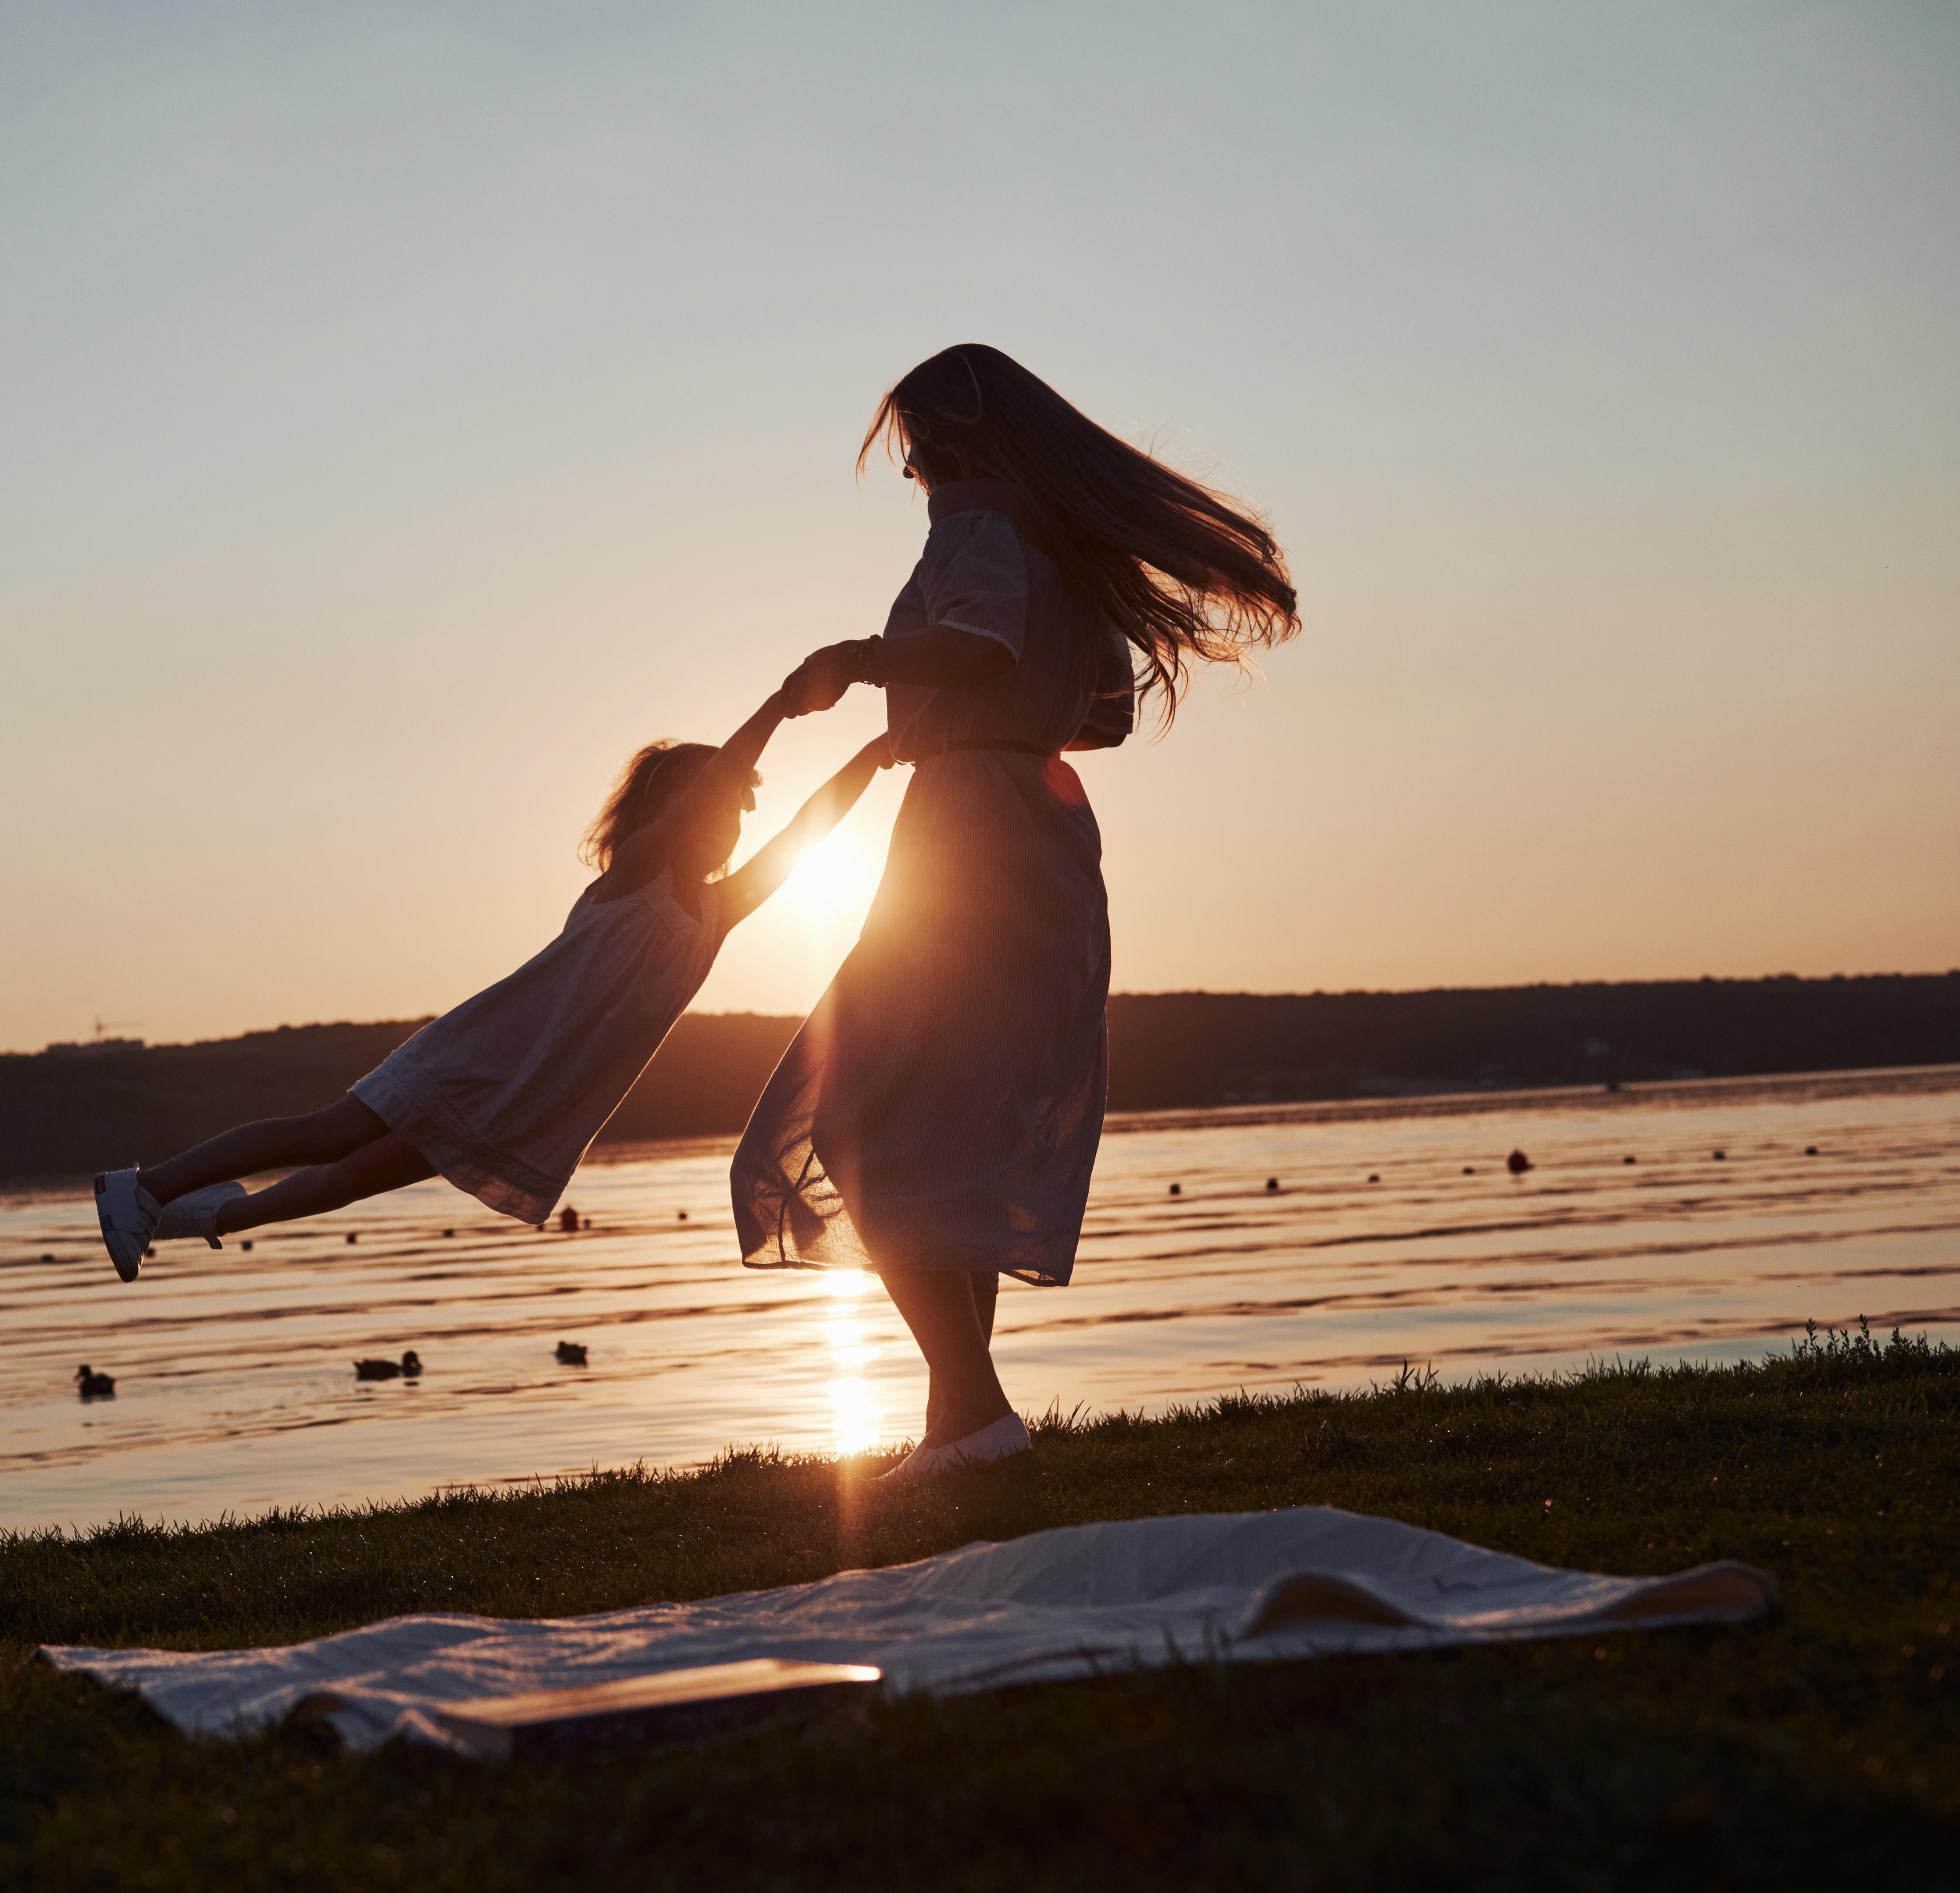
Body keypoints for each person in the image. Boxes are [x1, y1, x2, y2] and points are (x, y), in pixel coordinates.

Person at [738, 343, 1299, 1481]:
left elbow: (982, 646)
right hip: (1025, 825)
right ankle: (962, 1424)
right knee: (945, 1134)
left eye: (910, 447)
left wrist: (858, 661)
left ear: (948, 437)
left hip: (970, 839)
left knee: (841, 1121)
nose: (906, 474)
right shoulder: (1042, 540)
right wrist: (952, 725)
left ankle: (975, 1414)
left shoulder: (979, 528)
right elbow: (1102, 714)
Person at [91, 694, 893, 1281]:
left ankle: (200, 1211)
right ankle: (145, 1185)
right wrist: (784, 706)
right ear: (674, 807)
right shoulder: (637, 872)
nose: (730, 818)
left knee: (349, 1179)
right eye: (715, 801)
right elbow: (702, 799)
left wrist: (883, 750)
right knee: (329, 1134)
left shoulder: (715, 916)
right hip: (489, 1050)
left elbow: (805, 832)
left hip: (535, 1090)